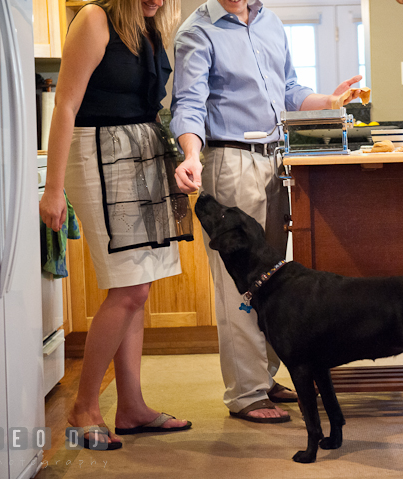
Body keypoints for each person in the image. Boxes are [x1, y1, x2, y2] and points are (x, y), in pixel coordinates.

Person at [170, 0, 363, 423]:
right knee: (237, 282)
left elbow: (289, 89)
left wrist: (329, 100)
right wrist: (190, 155)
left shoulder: (270, 22)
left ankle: (266, 376)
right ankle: (246, 392)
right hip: (230, 161)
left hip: (276, 160)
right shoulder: (197, 31)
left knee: (272, 279)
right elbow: (188, 103)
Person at [39, 0, 193, 449]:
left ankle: (132, 407)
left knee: (140, 284)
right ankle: (83, 406)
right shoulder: (93, 19)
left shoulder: (149, 27)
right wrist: (52, 189)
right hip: (99, 157)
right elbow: (65, 106)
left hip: (142, 154)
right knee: (129, 288)